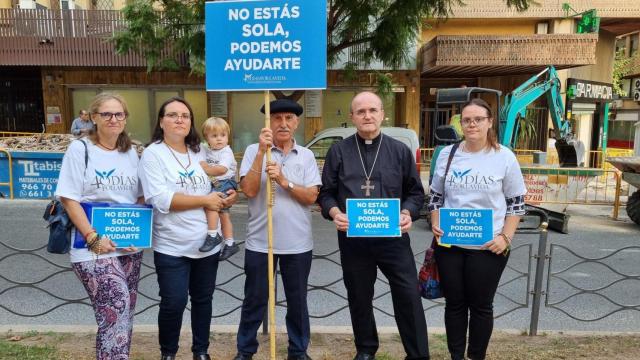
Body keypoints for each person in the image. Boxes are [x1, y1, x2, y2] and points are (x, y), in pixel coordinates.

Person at [317, 91, 429, 360]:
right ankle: (366, 349)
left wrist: (407, 213)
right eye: (361, 111)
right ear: (352, 117)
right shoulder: (339, 151)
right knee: (359, 295)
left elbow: (415, 193)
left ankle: (418, 354)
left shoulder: (399, 150)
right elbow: (326, 193)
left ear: (382, 114)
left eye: (372, 110)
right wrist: (334, 212)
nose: (367, 116)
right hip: (354, 239)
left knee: (408, 295)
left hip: (393, 239)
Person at [138, 97, 236, 360]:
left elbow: (218, 182)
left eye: (185, 115)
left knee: (203, 301)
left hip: (206, 244)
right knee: (174, 302)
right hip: (172, 245)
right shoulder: (153, 154)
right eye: (173, 115)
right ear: (161, 121)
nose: (180, 119)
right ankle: (168, 353)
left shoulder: (199, 151)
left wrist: (229, 195)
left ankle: (201, 351)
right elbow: (161, 199)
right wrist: (205, 200)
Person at [428, 98, 527, 360]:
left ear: (489, 122)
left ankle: (476, 356)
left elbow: (516, 204)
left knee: (481, 306)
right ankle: (456, 356)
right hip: (450, 245)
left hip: (488, 247)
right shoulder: (447, 155)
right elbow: (435, 196)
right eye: (466, 120)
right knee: (455, 305)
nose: (471, 124)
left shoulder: (504, 157)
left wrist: (505, 237)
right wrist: (435, 222)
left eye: (478, 119)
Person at [56, 93, 143, 359]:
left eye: (119, 114)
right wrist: (94, 238)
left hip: (126, 244)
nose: (113, 119)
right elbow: (69, 198)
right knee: (115, 306)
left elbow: (139, 197)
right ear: (94, 117)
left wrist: (136, 232)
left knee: (123, 313)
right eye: (106, 114)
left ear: (125, 118)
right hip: (90, 245)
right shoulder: (80, 149)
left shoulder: (131, 152)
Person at [234, 99, 321, 360]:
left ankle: (298, 350)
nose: (283, 123)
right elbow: (248, 191)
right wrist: (262, 152)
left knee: (297, 302)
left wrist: (284, 181)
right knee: (255, 300)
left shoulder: (305, 156)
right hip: (260, 243)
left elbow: (311, 197)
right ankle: (245, 350)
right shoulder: (253, 151)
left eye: (288, 118)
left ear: (296, 123)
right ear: (268, 123)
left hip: (298, 244)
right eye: (277, 118)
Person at [198, 117, 239, 260]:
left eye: (223, 135)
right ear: (206, 138)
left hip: (225, 182)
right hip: (217, 182)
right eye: (214, 136)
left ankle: (213, 235)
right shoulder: (207, 149)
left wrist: (206, 168)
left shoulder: (226, 151)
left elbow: (221, 169)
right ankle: (230, 242)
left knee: (211, 206)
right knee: (224, 214)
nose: (219, 139)